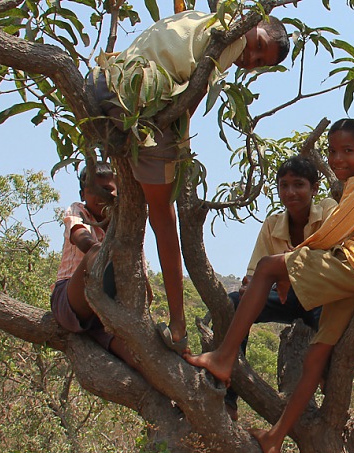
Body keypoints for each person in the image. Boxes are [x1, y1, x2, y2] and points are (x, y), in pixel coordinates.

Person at [184, 118, 354, 453]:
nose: (337, 159)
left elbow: (331, 236)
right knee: (316, 354)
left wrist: (286, 269)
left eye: (348, 151)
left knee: (271, 266)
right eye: (332, 151)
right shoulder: (279, 220)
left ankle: (223, 358)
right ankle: (275, 438)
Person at [89, 11, 291, 354]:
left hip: (101, 83)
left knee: (147, 200)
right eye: (258, 45)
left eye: (258, 62)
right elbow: (191, 98)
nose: (250, 57)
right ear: (252, 22)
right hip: (136, 98)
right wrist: (180, 147)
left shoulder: (200, 18)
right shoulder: (233, 35)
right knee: (164, 217)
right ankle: (179, 324)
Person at [223, 155, 338, 419]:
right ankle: (228, 396)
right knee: (233, 303)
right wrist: (248, 287)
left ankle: (329, 390)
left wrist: (291, 266)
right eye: (283, 185)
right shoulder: (273, 224)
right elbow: (255, 272)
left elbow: (335, 259)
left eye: (298, 185)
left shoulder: (329, 210)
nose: (290, 192)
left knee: (331, 329)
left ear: (314, 188)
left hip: (321, 298)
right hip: (287, 297)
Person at [50, 163, 136, 367]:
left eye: (107, 190)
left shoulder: (125, 224)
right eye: (93, 191)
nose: (101, 196)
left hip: (103, 315)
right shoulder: (78, 211)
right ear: (82, 194)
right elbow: (83, 239)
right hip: (71, 298)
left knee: (140, 356)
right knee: (97, 252)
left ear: (119, 192)